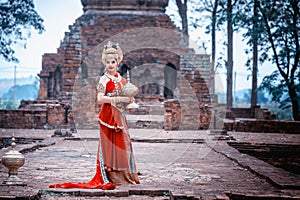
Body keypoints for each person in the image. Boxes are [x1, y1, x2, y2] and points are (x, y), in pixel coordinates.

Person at [49, 41, 140, 189]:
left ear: (118, 63)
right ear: (104, 63)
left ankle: (124, 176)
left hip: (119, 115)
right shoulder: (103, 79)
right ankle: (109, 176)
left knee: (122, 143)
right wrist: (117, 99)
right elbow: (99, 99)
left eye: (113, 62)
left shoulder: (122, 80)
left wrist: (129, 102)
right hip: (107, 115)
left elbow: (128, 99)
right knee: (108, 145)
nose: (110, 65)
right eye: (108, 62)